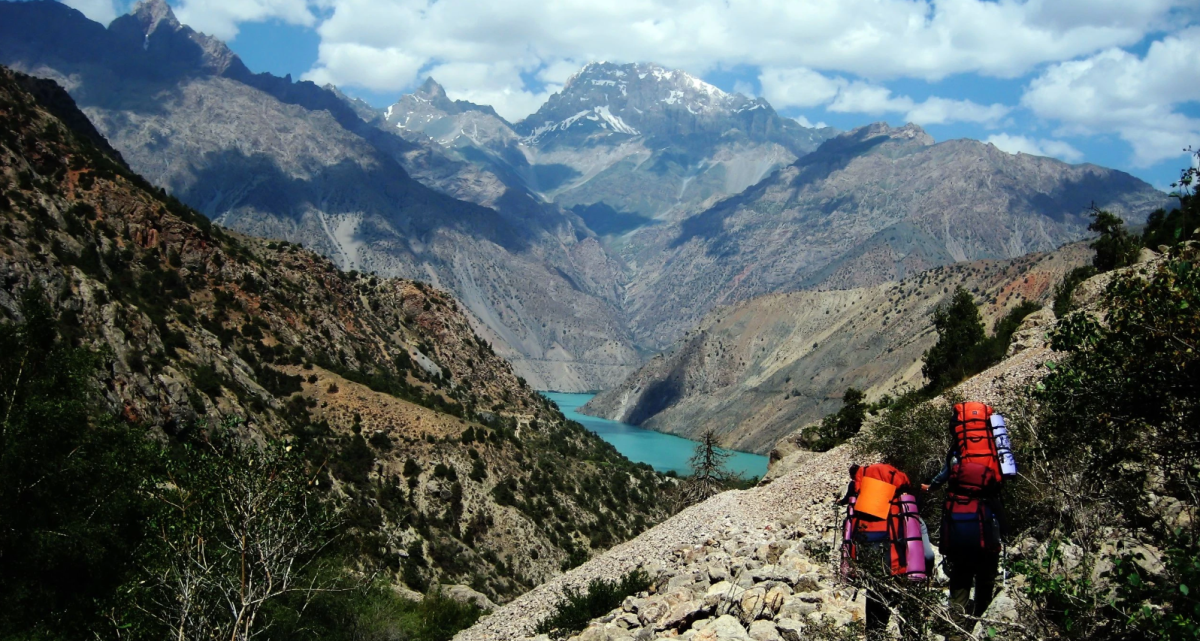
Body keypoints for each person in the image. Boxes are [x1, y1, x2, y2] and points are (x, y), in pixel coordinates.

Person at [923, 410, 1008, 639]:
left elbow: (944, 476)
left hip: (959, 531)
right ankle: (983, 626)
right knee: (985, 581)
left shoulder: (956, 452)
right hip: (987, 530)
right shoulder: (992, 451)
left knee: (959, 584)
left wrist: (932, 486)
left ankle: (956, 632)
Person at [839, 463, 922, 639]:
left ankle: (874, 634)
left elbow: (851, 532)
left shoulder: (862, 498)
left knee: (875, 600)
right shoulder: (899, 502)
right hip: (898, 562)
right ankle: (912, 634)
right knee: (906, 600)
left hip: (872, 562)